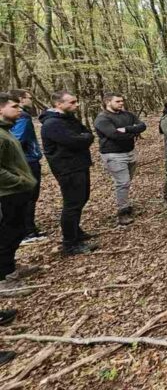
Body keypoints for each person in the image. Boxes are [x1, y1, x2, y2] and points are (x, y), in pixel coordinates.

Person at [40, 91, 97, 255]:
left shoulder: (69, 118)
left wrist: (83, 138)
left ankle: (76, 232)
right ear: (58, 104)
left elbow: (87, 134)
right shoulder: (52, 124)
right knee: (72, 204)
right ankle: (69, 244)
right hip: (67, 168)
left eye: (76, 101)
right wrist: (83, 139)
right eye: (72, 102)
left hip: (80, 165)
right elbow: (74, 141)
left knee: (82, 199)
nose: (76, 105)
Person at [0, 93, 38, 286]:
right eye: (15, 106)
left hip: (16, 192)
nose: (20, 109)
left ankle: (10, 267)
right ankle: (4, 278)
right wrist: (20, 181)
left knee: (17, 231)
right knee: (8, 233)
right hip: (8, 193)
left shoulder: (6, 131)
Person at [94, 93, 147, 226]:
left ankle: (125, 204)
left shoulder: (127, 115)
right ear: (108, 102)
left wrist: (128, 129)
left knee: (127, 181)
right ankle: (122, 212)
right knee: (122, 182)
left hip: (130, 152)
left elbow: (142, 126)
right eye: (117, 101)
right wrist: (133, 132)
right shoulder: (102, 118)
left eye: (122, 101)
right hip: (113, 154)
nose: (121, 103)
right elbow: (114, 135)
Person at [8, 89, 45, 244]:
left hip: (23, 161)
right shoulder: (22, 116)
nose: (32, 100)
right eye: (29, 98)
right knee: (30, 196)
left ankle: (29, 229)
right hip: (27, 161)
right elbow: (17, 139)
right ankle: (28, 231)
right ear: (21, 100)